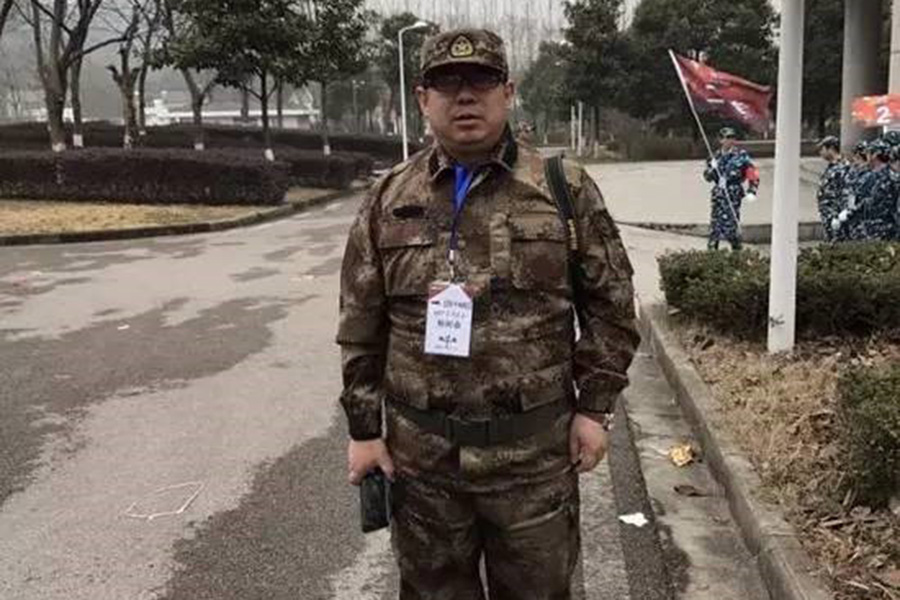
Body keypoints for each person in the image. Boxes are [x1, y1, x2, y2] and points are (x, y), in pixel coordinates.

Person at [336, 28, 639, 600]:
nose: (465, 96)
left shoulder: (564, 189)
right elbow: (360, 323)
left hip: (534, 463)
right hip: (423, 465)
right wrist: (364, 431)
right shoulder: (387, 198)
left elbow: (612, 307)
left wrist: (595, 408)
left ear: (509, 91)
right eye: (446, 83)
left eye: (481, 80)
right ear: (422, 99)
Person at [703, 127, 760, 250]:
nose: (731, 140)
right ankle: (713, 254)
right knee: (715, 228)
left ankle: (737, 251)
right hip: (718, 195)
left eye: (733, 137)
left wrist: (752, 190)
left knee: (731, 227)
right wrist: (712, 168)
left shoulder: (740, 155)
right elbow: (707, 177)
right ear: (721, 140)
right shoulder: (715, 156)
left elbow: (752, 173)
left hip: (733, 194)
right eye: (727, 138)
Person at [835, 139, 895, 241]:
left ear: (875, 155)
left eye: (869, 152)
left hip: (875, 228)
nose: (867, 156)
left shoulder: (876, 177)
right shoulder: (889, 175)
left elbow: (864, 201)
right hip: (880, 228)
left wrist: (849, 213)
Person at [835, 141, 874, 241]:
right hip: (847, 215)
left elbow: (865, 198)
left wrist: (850, 211)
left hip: (859, 218)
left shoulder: (869, 175)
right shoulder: (852, 171)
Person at [815, 136, 849, 242]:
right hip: (828, 214)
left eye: (822, 149)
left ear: (831, 148)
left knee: (838, 242)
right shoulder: (831, 167)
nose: (820, 152)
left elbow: (846, 191)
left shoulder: (842, 167)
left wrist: (840, 214)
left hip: (836, 214)